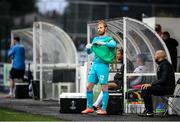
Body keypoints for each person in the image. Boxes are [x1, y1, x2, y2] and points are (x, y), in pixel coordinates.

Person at [81, 20, 117, 115]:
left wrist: (103, 43)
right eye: (98, 28)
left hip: (103, 66)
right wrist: (88, 48)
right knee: (88, 86)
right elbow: (89, 53)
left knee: (104, 88)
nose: (99, 29)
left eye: (101, 27)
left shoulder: (109, 39)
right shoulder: (95, 39)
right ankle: (90, 108)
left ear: (105, 28)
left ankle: (104, 109)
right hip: (95, 65)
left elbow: (114, 45)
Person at [138, 50, 175, 117]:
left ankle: (149, 112)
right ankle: (148, 110)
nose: (154, 56)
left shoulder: (165, 65)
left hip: (167, 89)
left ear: (159, 56)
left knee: (146, 89)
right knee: (144, 88)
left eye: (155, 55)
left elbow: (163, 79)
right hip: (163, 87)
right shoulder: (162, 64)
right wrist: (150, 84)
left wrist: (151, 84)